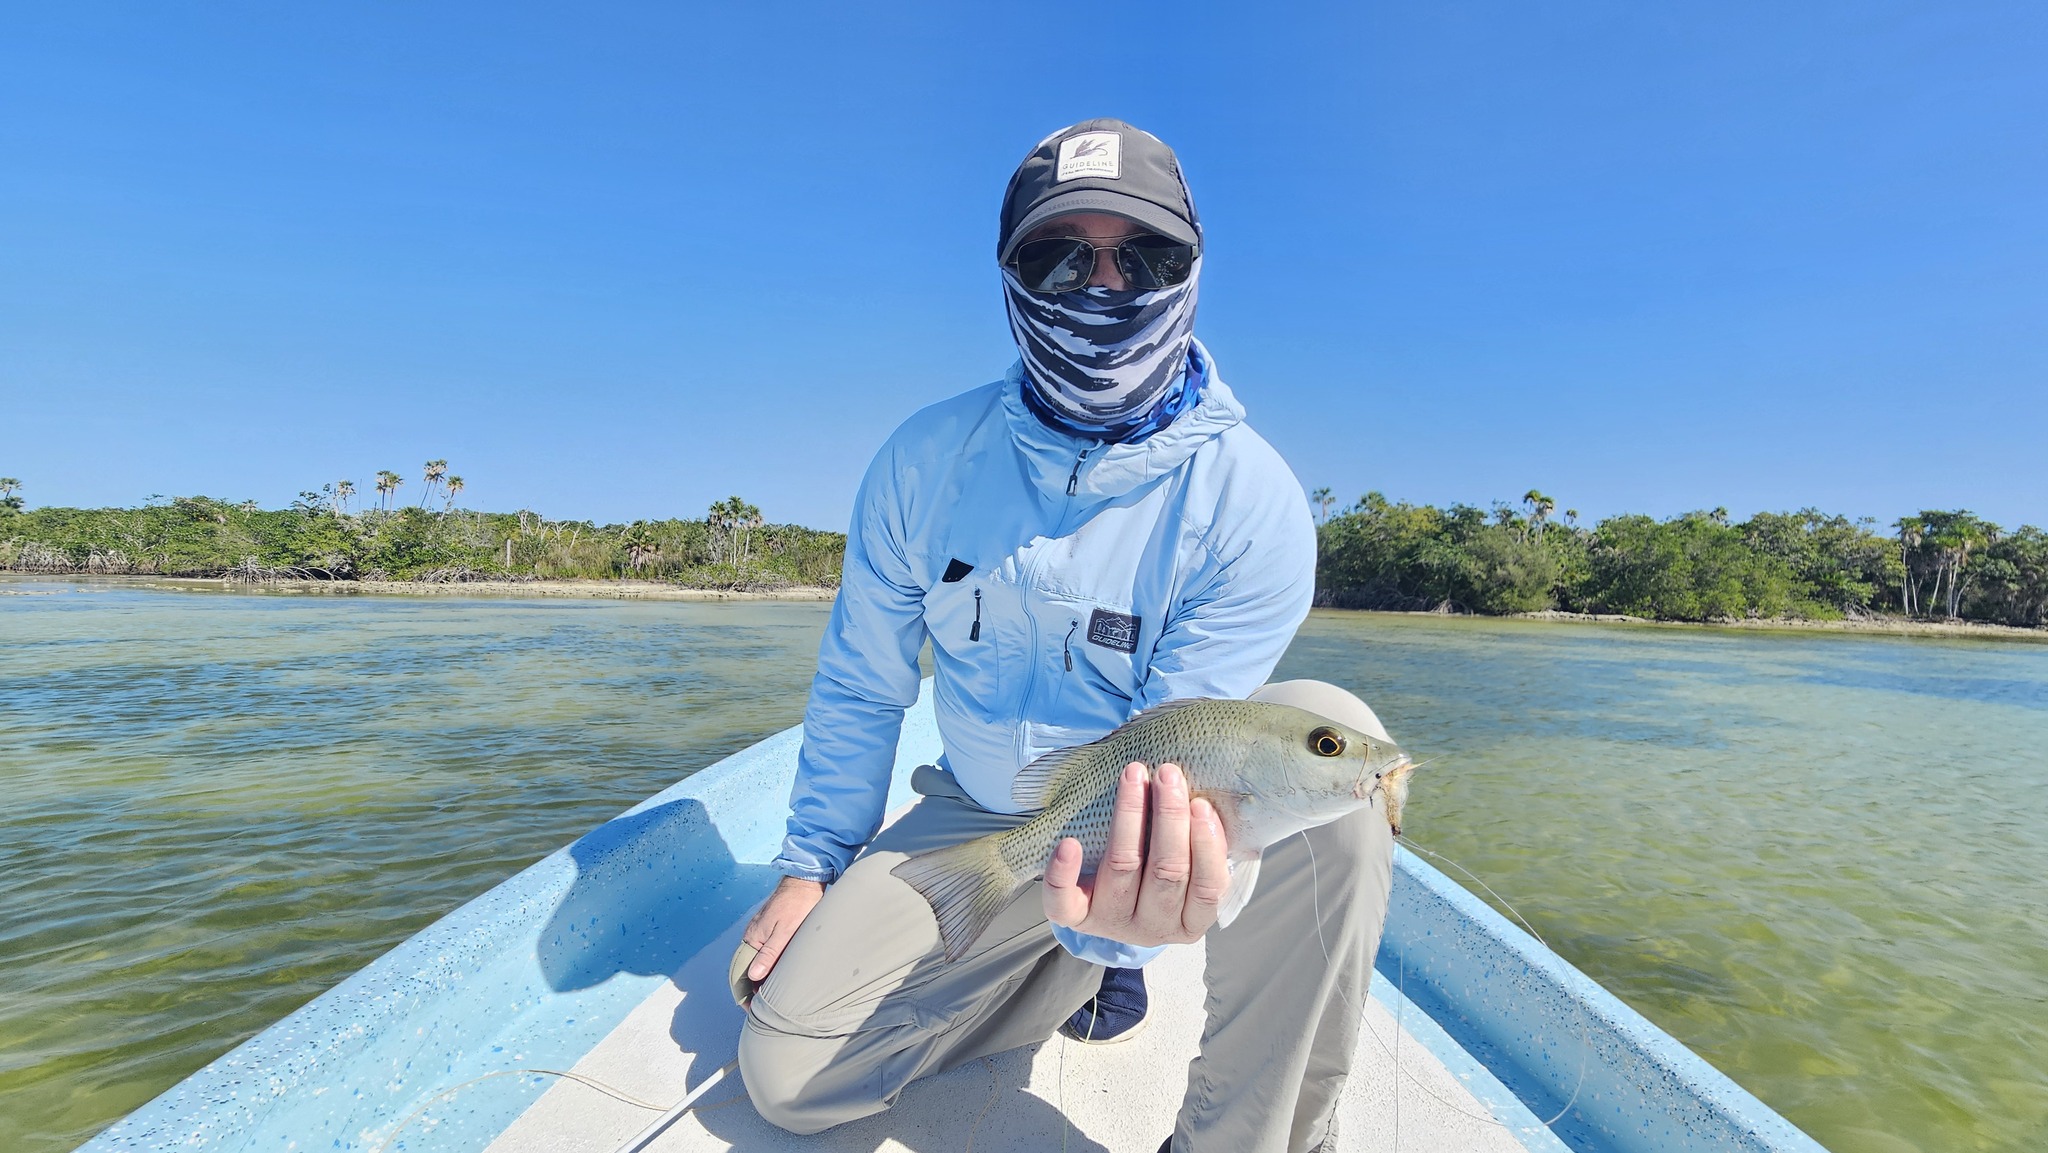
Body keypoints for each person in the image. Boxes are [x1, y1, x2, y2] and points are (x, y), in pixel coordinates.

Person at [731, 118, 1396, 1153]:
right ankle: (1058, 967)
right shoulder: (921, 462)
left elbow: (1173, 745)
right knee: (786, 1074)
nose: (1103, 283)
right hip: (977, 809)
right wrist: (810, 863)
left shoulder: (1253, 503)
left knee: (1329, 743)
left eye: (1145, 254)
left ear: (1192, 267)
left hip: (1152, 816)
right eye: (1058, 254)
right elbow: (863, 683)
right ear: (1008, 275)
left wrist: (1118, 920)